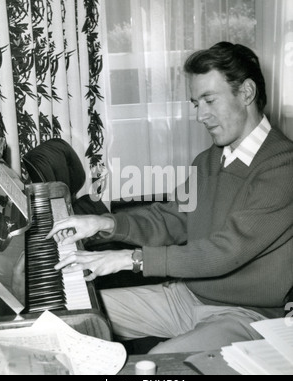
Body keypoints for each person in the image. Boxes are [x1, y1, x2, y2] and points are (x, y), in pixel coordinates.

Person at [47, 42, 293, 354]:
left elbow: (225, 252)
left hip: (247, 315)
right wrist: (103, 223)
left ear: (246, 93)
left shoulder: (283, 167)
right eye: (195, 103)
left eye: (209, 100)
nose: (201, 115)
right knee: (66, 319)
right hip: (186, 296)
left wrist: (131, 259)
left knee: (155, 365)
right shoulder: (209, 160)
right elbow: (172, 218)